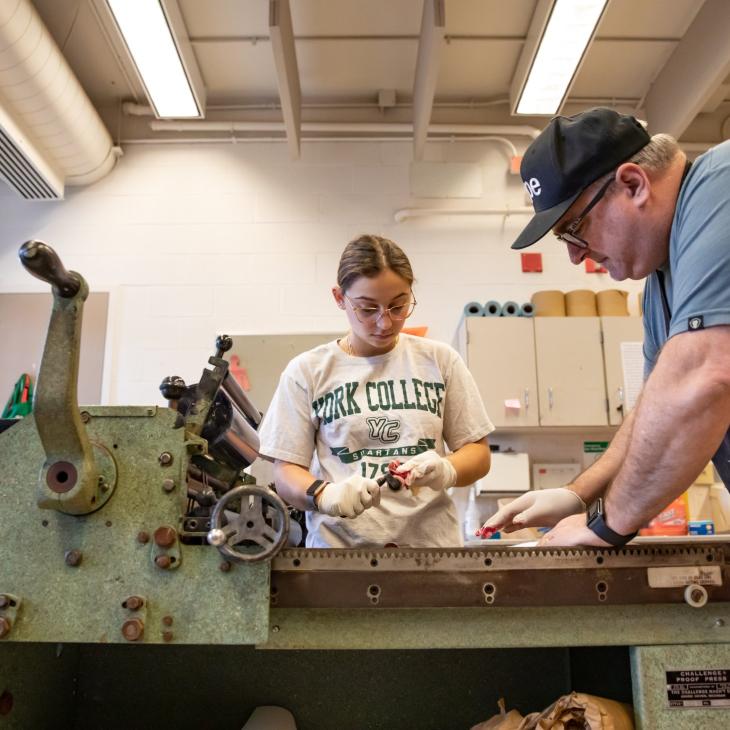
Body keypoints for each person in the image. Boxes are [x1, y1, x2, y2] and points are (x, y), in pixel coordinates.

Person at [482, 107, 730, 548]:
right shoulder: (661, 283)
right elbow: (654, 410)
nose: (576, 255)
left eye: (574, 229)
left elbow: (702, 381)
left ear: (633, 184)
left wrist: (602, 526)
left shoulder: (719, 187)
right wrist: (577, 494)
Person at [258, 234, 493, 548]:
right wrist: (324, 494)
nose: (385, 323)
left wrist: (446, 469)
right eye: (367, 309)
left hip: (431, 553)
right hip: (341, 557)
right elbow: (286, 471)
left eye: (398, 306)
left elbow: (478, 453)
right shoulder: (307, 371)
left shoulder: (439, 361)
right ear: (339, 298)